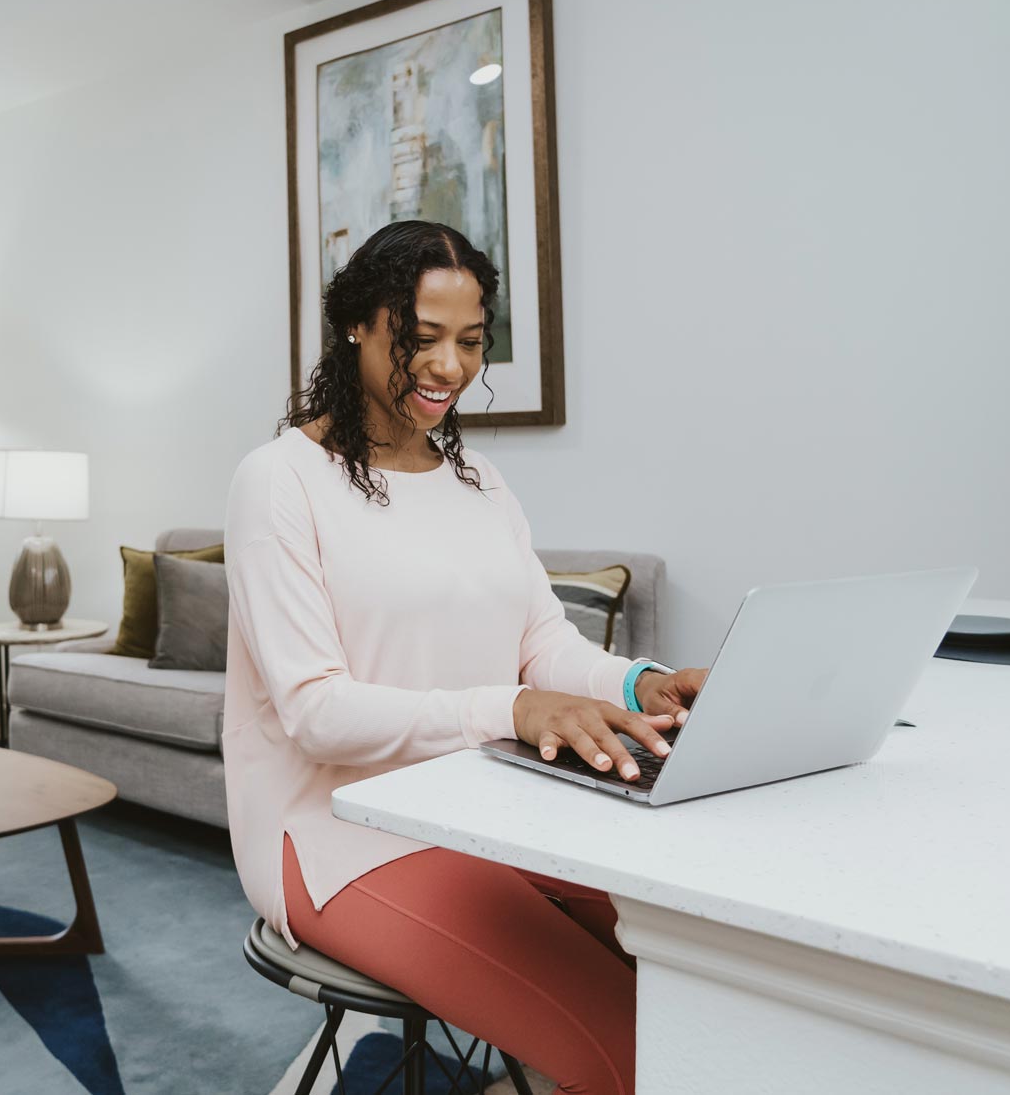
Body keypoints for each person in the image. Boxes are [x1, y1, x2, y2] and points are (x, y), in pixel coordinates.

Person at [223, 220, 707, 1095]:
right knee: (626, 1052)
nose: (449, 365)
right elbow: (316, 710)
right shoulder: (279, 480)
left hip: (490, 807)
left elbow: (544, 644)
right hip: (337, 835)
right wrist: (507, 710)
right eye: (422, 337)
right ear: (358, 325)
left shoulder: (480, 484)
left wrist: (644, 681)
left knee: (704, 976)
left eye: (471, 341)